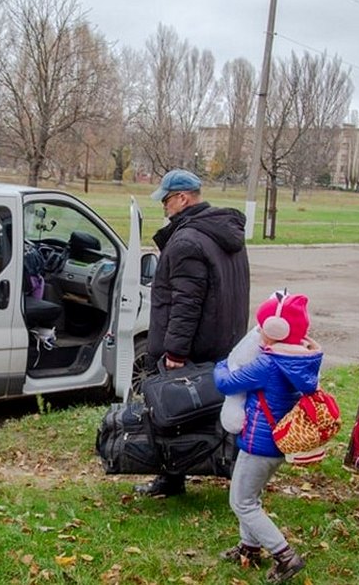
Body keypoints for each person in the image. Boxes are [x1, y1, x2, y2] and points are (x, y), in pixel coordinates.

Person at [135, 168, 250, 498]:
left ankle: (171, 479)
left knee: (172, 414)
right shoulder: (223, 234)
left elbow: (186, 303)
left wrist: (174, 352)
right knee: (219, 412)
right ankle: (231, 473)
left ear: (183, 198)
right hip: (224, 341)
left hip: (192, 347)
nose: (164, 208)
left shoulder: (187, 240)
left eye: (167, 201)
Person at [213, 291, 322, 583]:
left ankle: (284, 555)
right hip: (277, 441)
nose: (259, 332)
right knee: (251, 495)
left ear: (276, 331)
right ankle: (249, 547)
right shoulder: (299, 359)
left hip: (259, 443)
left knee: (242, 502)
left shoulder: (268, 363)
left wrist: (223, 363)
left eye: (263, 327)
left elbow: (226, 382)